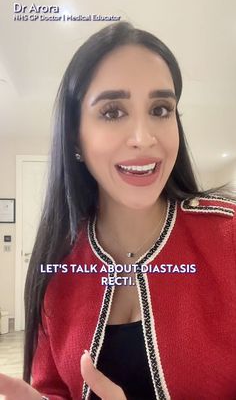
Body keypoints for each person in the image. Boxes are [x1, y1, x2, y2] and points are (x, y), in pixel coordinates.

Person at [0, 21, 235, 400]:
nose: (144, 138)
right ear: (76, 135)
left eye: (161, 108)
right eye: (112, 112)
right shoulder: (58, 267)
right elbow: (54, 388)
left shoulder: (229, 238)